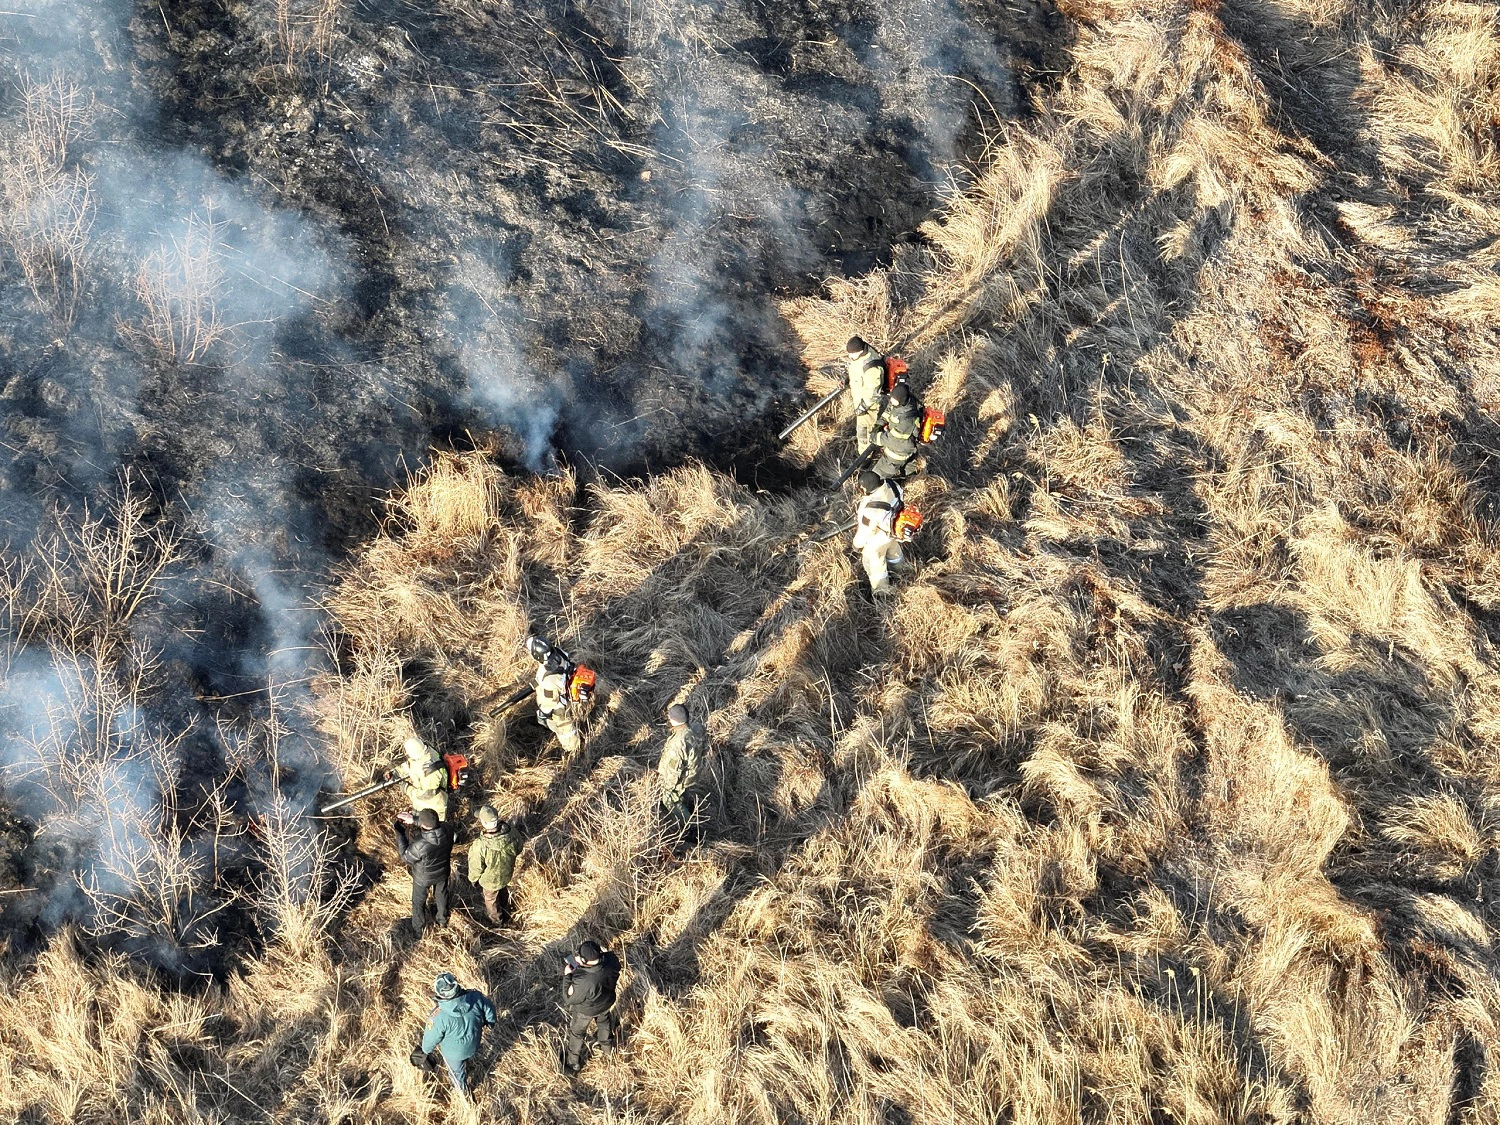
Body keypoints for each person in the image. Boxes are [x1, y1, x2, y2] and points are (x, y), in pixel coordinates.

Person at [416, 971, 497, 1100]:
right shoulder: (476, 997)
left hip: (453, 1054)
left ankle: (463, 1095)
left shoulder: (438, 1016)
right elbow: (490, 1009)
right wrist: (490, 1023)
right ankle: (467, 1062)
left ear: (440, 993)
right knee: (466, 1057)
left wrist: (425, 1051)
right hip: (474, 1045)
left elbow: (431, 1038)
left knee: (456, 1073)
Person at [561, 939, 622, 1075]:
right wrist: (583, 965)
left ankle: (573, 1063)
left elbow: (568, 997)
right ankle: (608, 1053)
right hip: (606, 1003)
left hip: (585, 1010)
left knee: (577, 1033)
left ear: (584, 960)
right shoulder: (611, 960)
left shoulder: (583, 980)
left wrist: (568, 975)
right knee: (604, 1024)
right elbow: (613, 966)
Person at [395, 807, 453, 935]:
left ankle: (418, 929)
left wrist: (400, 834)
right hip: (443, 871)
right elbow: (433, 826)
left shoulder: (420, 845)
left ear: (423, 825)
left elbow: (405, 857)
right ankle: (442, 921)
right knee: (441, 895)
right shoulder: (448, 829)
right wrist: (414, 820)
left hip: (423, 878)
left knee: (418, 902)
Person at [852, 469, 907, 596]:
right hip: (894, 532)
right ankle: (902, 574)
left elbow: (866, 532)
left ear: (865, 489)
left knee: (876, 567)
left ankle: (882, 594)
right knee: (895, 556)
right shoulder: (893, 485)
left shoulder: (869, 508)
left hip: (878, 541)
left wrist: (857, 545)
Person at [658, 704, 706, 843]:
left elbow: (675, 770)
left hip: (680, 778)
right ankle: (687, 807)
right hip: (692, 773)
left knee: (670, 800)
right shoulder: (696, 729)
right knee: (683, 794)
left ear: (673, 720)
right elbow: (704, 749)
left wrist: (669, 786)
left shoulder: (678, 743)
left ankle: (692, 829)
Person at [528, 636, 585, 754]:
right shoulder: (558, 652)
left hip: (559, 705)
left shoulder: (549, 682)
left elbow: (549, 703)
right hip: (564, 688)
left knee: (563, 726)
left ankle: (573, 748)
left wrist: (542, 715)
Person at [467, 805, 520, 925]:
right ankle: (507, 912)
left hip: (490, 881)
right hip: (506, 874)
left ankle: (497, 922)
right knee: (502, 890)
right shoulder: (511, 833)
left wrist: (473, 879)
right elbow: (519, 847)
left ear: (484, 823)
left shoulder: (480, 845)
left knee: (491, 900)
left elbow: (476, 867)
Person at [390, 736, 448, 820]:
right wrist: (396, 772)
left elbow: (426, 794)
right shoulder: (424, 753)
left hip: (434, 805)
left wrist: (406, 788)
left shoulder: (429, 769)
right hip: (420, 803)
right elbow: (411, 765)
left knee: (438, 828)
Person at [844, 336, 887, 450]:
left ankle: (864, 458)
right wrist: (846, 378)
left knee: (864, 432)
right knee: (862, 429)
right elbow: (855, 369)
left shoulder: (872, 368)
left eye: (852, 354)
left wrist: (864, 406)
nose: (850, 357)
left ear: (860, 351)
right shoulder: (858, 357)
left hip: (868, 407)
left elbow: (873, 392)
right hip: (859, 400)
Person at [872, 382, 921, 480]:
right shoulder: (898, 401)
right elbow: (888, 412)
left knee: (877, 475)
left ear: (902, 401)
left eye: (894, 400)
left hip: (899, 451)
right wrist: (879, 425)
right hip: (899, 444)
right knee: (907, 468)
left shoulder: (908, 420)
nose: (891, 401)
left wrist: (875, 438)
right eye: (891, 398)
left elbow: (893, 439)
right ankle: (910, 473)